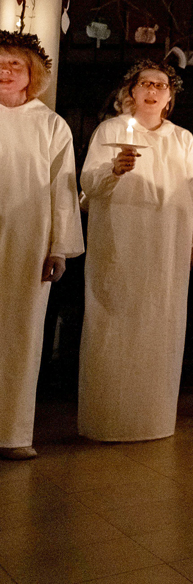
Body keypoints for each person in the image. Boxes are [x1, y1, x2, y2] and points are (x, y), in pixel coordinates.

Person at [78, 61, 193, 441]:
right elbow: (88, 183)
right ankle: (106, 419)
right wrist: (114, 171)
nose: (152, 90)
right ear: (131, 92)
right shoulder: (110, 130)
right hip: (120, 239)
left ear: (169, 97)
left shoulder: (181, 138)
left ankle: (152, 418)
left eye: (161, 85)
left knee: (160, 323)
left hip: (167, 242)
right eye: (145, 84)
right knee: (113, 320)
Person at [0, 32, 84, 460]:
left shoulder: (50, 124)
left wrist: (59, 248)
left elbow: (63, 189)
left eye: (16, 64)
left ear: (32, 74)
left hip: (27, 239)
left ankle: (12, 432)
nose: (6, 70)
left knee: (20, 332)